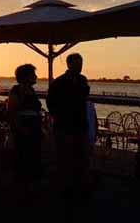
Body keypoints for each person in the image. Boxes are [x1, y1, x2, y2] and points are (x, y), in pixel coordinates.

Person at [47, 53, 91, 201]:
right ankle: (66, 188)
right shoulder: (59, 82)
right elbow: (51, 102)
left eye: (81, 63)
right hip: (65, 126)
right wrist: (59, 116)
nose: (80, 66)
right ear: (69, 64)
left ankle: (79, 186)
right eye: (78, 63)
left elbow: (84, 96)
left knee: (81, 157)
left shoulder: (82, 80)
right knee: (65, 158)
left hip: (80, 125)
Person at [8, 64, 43, 184]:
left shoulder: (31, 90)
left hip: (34, 129)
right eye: (33, 74)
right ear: (26, 76)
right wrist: (20, 128)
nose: (36, 76)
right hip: (23, 130)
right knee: (23, 158)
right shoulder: (17, 90)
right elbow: (12, 111)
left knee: (33, 158)